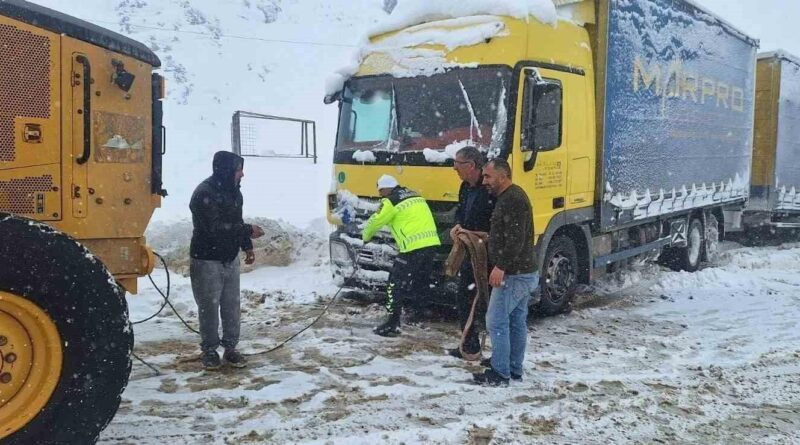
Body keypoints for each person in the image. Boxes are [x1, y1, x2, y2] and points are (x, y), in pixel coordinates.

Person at [189, 151, 265, 370]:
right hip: (207, 259)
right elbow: (214, 229)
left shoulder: (234, 193)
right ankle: (210, 350)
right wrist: (248, 230)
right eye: (239, 169)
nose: (242, 174)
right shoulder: (204, 193)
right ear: (226, 170)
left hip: (230, 258)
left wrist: (247, 246)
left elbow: (235, 221)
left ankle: (230, 348)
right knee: (209, 307)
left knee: (232, 305)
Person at [473, 158, 539, 386]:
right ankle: (513, 368)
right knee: (516, 320)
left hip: (514, 273)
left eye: (488, 176)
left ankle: (500, 374)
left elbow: (516, 239)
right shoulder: (508, 197)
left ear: (503, 176)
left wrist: (501, 266)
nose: (484, 181)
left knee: (496, 320)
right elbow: (509, 235)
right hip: (522, 271)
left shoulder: (513, 199)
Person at [362, 174, 441, 336]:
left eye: (380, 192)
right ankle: (419, 314)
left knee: (394, 282)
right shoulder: (415, 195)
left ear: (384, 189)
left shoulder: (390, 200)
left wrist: (365, 236)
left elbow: (376, 220)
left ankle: (392, 323)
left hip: (412, 247)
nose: (380, 196)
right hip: (431, 243)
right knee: (421, 280)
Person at [446, 146, 495, 360]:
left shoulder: (489, 189)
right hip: (468, 249)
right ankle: (468, 344)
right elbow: (461, 211)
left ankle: (491, 350)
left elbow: (496, 221)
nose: (455, 168)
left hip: (486, 252)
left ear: (472, 166)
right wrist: (458, 225)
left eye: (458, 164)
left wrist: (480, 235)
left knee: (483, 300)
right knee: (463, 297)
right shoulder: (465, 187)